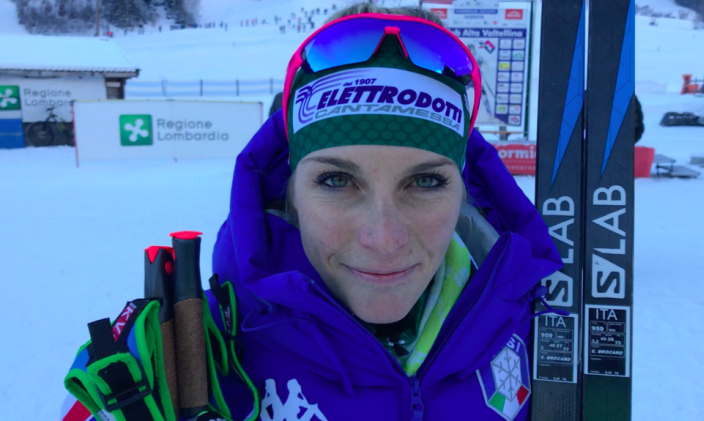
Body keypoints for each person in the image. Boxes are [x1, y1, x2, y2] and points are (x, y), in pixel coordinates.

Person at [62, 4, 562, 421]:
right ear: (291, 189)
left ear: (464, 189)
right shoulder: (181, 355)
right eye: (337, 181)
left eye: (426, 181)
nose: (384, 238)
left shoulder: (538, 330)